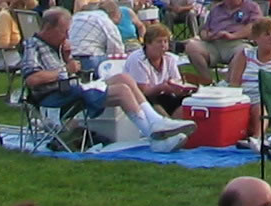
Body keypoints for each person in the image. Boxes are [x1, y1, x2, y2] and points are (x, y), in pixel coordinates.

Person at [22, 9, 194, 147]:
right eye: (64, 31)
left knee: (124, 78)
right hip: (55, 96)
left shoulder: (57, 46)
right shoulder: (33, 45)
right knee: (122, 91)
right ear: (49, 28)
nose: (67, 36)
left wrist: (67, 58)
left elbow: (67, 73)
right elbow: (32, 79)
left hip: (72, 88)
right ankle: (154, 138)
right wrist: (65, 69)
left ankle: (156, 122)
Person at [186, 0, 259, 77]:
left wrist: (232, 36)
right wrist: (207, 36)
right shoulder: (216, 9)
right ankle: (207, 80)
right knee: (191, 46)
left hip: (238, 43)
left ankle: (229, 82)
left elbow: (254, 27)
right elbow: (204, 29)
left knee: (245, 52)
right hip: (214, 44)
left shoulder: (251, 7)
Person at [125, 23, 196, 113]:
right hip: (142, 101)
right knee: (156, 106)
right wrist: (162, 87)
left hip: (165, 96)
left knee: (189, 102)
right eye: (159, 41)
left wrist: (179, 89)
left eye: (165, 41)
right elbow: (143, 92)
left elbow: (176, 81)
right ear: (148, 43)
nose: (163, 45)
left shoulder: (170, 59)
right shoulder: (137, 60)